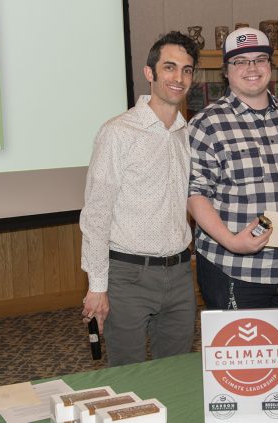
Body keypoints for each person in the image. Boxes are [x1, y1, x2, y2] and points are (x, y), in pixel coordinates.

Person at [187, 27, 278, 346]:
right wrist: (232, 242)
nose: (252, 68)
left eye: (259, 59)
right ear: (226, 71)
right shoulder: (206, 125)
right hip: (236, 270)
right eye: (240, 61)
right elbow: (195, 196)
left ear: (270, 65)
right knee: (238, 372)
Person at [79, 31, 199, 367]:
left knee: (176, 375)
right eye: (170, 67)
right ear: (150, 73)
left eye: (187, 70)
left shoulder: (187, 135)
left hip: (178, 276)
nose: (178, 78)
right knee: (128, 377)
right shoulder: (118, 132)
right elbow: (96, 215)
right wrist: (97, 287)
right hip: (127, 276)